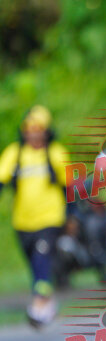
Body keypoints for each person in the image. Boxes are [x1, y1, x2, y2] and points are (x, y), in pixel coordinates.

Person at [0, 105, 68, 326]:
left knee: (41, 260)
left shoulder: (55, 153)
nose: (34, 134)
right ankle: (47, 303)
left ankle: (39, 307)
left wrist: (73, 215)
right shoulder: (15, 153)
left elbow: (69, 187)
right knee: (36, 266)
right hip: (22, 222)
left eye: (38, 129)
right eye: (30, 129)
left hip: (49, 219)